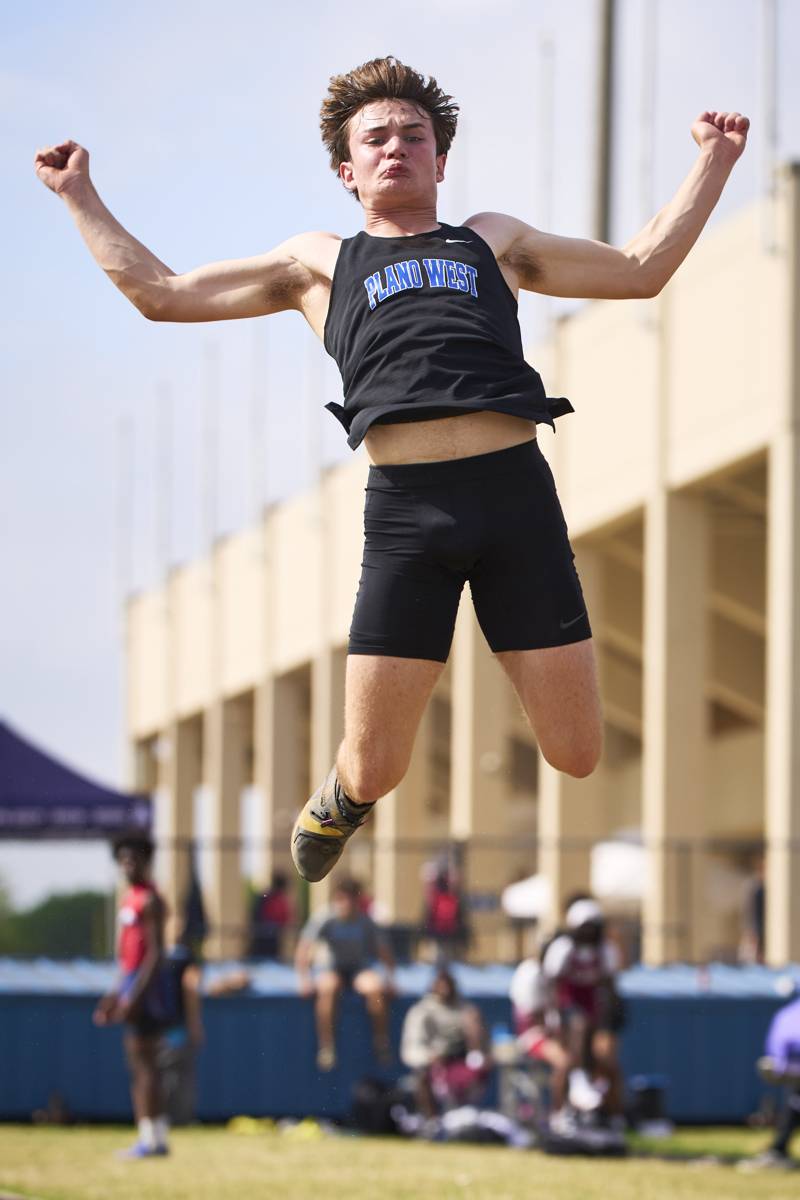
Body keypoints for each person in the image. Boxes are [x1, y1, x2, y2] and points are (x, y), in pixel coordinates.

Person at [35, 59, 750, 885]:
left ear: (440, 160)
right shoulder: (318, 262)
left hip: (515, 502)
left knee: (577, 753)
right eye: (375, 138)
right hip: (409, 515)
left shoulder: (493, 241)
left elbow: (639, 269)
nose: (396, 148)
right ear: (348, 170)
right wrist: (78, 195)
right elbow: (162, 293)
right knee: (375, 767)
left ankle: (372, 780)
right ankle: (342, 796)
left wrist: (714, 160)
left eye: (414, 135)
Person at [93, 831, 170, 1158]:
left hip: (147, 992)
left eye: (134, 859)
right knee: (139, 1065)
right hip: (131, 987)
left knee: (146, 1065)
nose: (128, 866)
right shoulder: (129, 898)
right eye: (123, 860)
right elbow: (127, 957)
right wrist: (114, 995)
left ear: (146, 861)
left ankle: (152, 1139)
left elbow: (154, 954)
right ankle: (152, 1137)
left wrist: (135, 997)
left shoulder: (151, 900)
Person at [294, 876, 396, 1071]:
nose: (346, 904)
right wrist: (304, 980)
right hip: (331, 968)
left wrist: (391, 980)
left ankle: (381, 1042)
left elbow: (385, 952)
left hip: (358, 968)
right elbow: (304, 948)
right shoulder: (325, 918)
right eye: (342, 899)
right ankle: (327, 1047)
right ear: (336, 899)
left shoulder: (366, 921)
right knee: (328, 989)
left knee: (375, 989)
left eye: (351, 899)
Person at [541, 897, 625, 1124]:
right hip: (567, 1009)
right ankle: (562, 1109)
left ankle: (613, 1114)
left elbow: (610, 988)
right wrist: (554, 1018)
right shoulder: (563, 949)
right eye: (584, 927)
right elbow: (551, 986)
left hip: (594, 1010)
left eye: (592, 927)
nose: (588, 933)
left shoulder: (606, 950)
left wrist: (608, 1022)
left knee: (607, 1061)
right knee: (568, 1059)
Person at [400, 968, 489, 1117]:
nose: (445, 990)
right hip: (434, 1064)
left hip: (460, 1062)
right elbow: (411, 1048)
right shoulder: (423, 1012)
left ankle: (465, 1117)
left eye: (448, 985)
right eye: (441, 985)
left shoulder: (465, 1009)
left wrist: (474, 1037)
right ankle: (431, 1119)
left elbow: (481, 1048)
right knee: (422, 1077)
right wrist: (429, 1057)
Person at [509, 945, 573, 1118]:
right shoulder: (531, 974)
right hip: (532, 1036)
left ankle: (573, 1108)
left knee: (576, 1057)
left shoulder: (555, 978)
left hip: (553, 1034)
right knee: (563, 1061)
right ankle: (558, 1113)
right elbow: (534, 1018)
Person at [739, 993, 800, 1172]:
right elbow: (783, 1042)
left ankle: (778, 1150)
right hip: (792, 1068)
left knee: (794, 1101)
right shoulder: (790, 1013)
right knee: (795, 1101)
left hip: (789, 1067)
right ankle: (778, 1151)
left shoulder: (788, 1012)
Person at [157, 940, 205, 1126]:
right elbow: (190, 988)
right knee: (180, 1075)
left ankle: (158, 1118)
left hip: (158, 1027)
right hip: (178, 1029)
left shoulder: (159, 956)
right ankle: (179, 1118)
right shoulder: (186, 959)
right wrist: (195, 1024)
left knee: (161, 1074)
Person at [248, 870, 294, 959]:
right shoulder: (271, 898)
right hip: (266, 938)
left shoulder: (265, 897)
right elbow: (283, 918)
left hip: (268, 937)